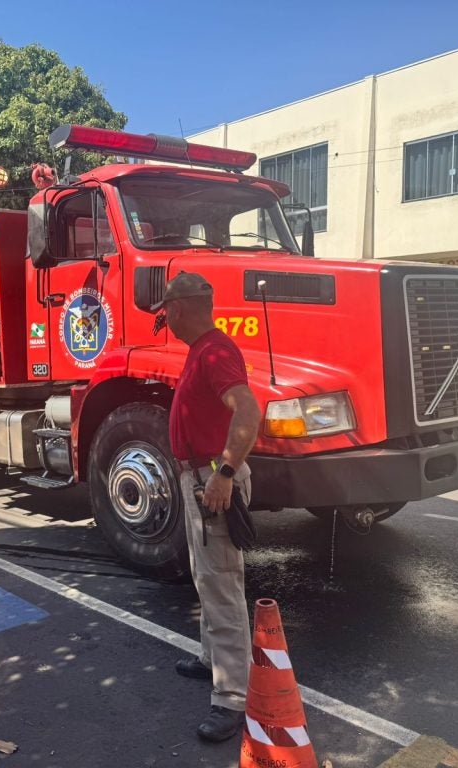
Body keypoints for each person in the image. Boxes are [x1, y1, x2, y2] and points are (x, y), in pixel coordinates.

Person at [161, 271, 262, 742]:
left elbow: (247, 409)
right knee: (208, 575)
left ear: (178, 309)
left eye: (166, 312)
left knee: (221, 583)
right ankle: (211, 661)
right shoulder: (203, 350)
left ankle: (232, 698)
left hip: (210, 480)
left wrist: (223, 474)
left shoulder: (216, 351)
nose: (165, 319)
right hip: (200, 477)